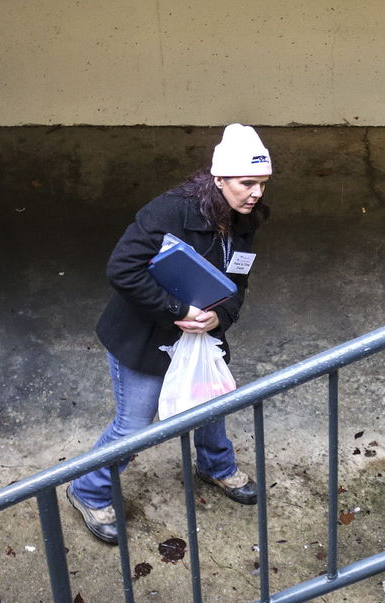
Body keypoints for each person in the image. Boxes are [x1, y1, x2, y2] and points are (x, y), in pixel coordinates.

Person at [66, 124, 272, 544]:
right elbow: (121, 269)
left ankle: (215, 466)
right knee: (134, 426)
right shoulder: (170, 211)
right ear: (219, 179)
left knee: (212, 402)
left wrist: (220, 318)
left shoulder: (247, 219)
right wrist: (178, 310)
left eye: (263, 184)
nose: (255, 193)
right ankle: (87, 491)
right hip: (144, 335)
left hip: (201, 335)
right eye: (246, 183)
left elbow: (238, 281)